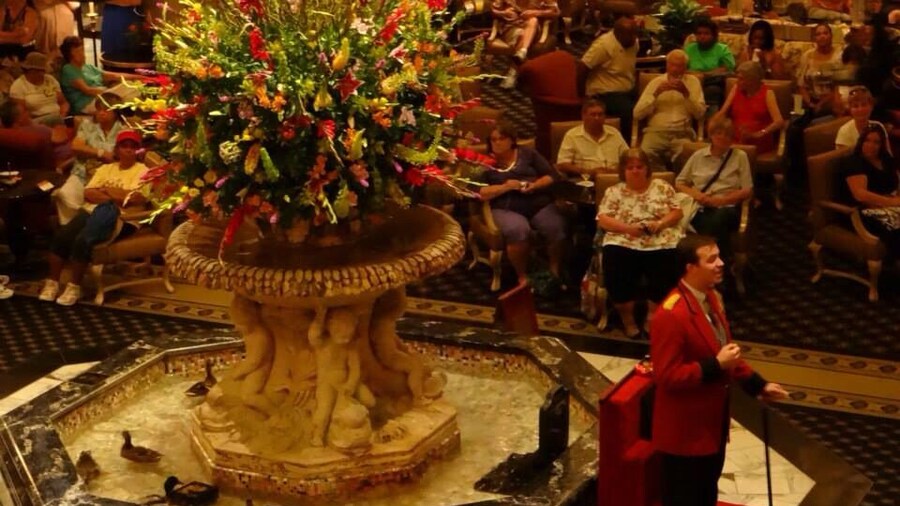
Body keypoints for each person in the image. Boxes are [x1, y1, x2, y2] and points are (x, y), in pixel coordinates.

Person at [651, 234, 788, 506]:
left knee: (706, 494)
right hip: (684, 434)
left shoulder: (710, 298)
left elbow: (725, 349)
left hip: (711, 425)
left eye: (719, 256)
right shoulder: (671, 315)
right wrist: (715, 365)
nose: (721, 263)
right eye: (711, 259)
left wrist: (757, 384)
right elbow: (667, 377)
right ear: (690, 268)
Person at [37, 130, 148, 306]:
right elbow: (88, 194)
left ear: (138, 151)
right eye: (123, 146)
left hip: (123, 217)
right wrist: (117, 195)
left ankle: (74, 286)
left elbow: (135, 198)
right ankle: (53, 283)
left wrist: (105, 191)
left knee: (83, 240)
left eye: (132, 147)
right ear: (117, 149)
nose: (128, 150)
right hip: (91, 210)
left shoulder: (144, 171)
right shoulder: (105, 168)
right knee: (61, 237)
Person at [596, 148, 684, 339]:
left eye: (639, 166)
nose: (635, 171)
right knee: (616, 263)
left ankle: (652, 316)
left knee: (665, 261)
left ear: (647, 169)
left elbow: (677, 212)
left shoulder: (662, 186)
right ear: (623, 171)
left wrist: (660, 223)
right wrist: (627, 228)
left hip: (659, 238)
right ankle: (628, 320)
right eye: (630, 167)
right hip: (623, 238)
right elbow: (603, 219)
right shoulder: (614, 191)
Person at [479, 121, 566, 287]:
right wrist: (505, 187)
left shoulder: (528, 154)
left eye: (501, 138)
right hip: (506, 207)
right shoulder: (483, 163)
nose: (497, 143)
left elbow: (551, 175)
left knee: (555, 226)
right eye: (493, 139)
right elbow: (479, 192)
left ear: (512, 140)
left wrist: (534, 185)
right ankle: (522, 276)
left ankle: (554, 268)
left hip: (537, 202)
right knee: (518, 230)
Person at [676, 118, 753, 261]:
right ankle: (720, 261)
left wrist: (721, 201)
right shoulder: (698, 156)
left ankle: (703, 261)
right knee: (702, 222)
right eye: (718, 133)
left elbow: (747, 189)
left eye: (727, 135)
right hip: (699, 206)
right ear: (711, 135)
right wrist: (698, 195)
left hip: (726, 207)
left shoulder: (740, 156)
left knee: (718, 219)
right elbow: (680, 183)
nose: (722, 137)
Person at [56, 92, 125, 225]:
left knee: (99, 204)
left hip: (107, 178)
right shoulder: (87, 125)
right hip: (82, 172)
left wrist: (89, 151)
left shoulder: (123, 130)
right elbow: (76, 146)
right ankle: (75, 226)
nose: (101, 113)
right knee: (64, 195)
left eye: (106, 110)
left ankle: (83, 224)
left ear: (116, 112)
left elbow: (120, 157)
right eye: (98, 109)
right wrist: (101, 153)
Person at [633, 49, 706, 171]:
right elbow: (637, 114)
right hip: (655, 132)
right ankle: (662, 179)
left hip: (682, 133)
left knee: (688, 156)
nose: (675, 69)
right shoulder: (655, 82)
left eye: (679, 66)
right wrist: (655, 95)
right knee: (645, 154)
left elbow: (700, 114)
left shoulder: (693, 82)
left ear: (685, 67)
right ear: (667, 65)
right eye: (672, 65)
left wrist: (686, 94)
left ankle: (677, 183)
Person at [840, 125, 900, 259]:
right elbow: (860, 195)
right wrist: (892, 202)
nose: (871, 145)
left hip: (888, 205)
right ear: (861, 141)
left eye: (876, 142)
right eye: (867, 140)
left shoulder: (886, 160)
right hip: (863, 212)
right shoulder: (854, 162)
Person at [579, 16, 638, 136]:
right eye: (630, 35)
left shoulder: (633, 42)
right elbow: (582, 68)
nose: (634, 38)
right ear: (618, 35)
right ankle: (623, 145)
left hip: (627, 87)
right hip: (606, 93)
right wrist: (581, 97)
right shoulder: (602, 46)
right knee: (628, 111)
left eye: (634, 34)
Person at [714, 61, 784, 155]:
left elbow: (779, 121)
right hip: (735, 139)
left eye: (741, 79)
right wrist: (713, 124)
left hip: (757, 141)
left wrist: (759, 133)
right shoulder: (736, 88)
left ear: (752, 80)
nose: (738, 82)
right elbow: (722, 112)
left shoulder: (768, 94)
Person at [59, 36, 140, 114]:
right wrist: (109, 93)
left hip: (103, 96)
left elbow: (114, 76)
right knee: (127, 95)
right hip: (87, 104)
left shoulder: (88, 67)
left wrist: (139, 77)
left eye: (82, 50)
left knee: (135, 86)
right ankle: (123, 111)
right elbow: (87, 90)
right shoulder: (68, 69)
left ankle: (125, 112)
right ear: (70, 54)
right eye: (77, 51)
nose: (82, 54)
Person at [490, 0, 560, 89]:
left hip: (533, 28)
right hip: (512, 26)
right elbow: (493, 10)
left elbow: (555, 12)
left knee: (533, 20)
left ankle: (515, 67)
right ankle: (517, 64)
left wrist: (536, 13)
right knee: (521, 34)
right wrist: (504, 13)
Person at [556, 98, 628, 178]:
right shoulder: (572, 135)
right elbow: (562, 164)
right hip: (585, 180)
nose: (597, 118)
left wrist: (613, 172)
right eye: (593, 115)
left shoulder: (614, 133)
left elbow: (628, 158)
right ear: (583, 116)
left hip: (614, 178)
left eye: (600, 114)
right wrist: (588, 172)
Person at [684, 17, 735, 111]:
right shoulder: (689, 49)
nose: (702, 36)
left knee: (713, 91)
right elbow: (682, 68)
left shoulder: (722, 49)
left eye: (706, 33)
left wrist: (704, 75)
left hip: (713, 83)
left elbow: (728, 70)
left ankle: (710, 120)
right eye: (699, 33)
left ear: (714, 35)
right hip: (691, 82)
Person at [8, 51, 68, 125]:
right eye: (42, 71)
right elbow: (21, 115)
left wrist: (63, 114)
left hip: (58, 118)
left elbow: (63, 103)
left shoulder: (50, 79)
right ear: (32, 71)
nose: (44, 73)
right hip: (35, 122)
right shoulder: (18, 86)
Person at [836, 87, 890, 153]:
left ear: (871, 107)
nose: (860, 109)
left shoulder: (879, 126)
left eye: (864, 105)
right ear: (850, 109)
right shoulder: (844, 132)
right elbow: (845, 161)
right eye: (855, 106)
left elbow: (888, 154)